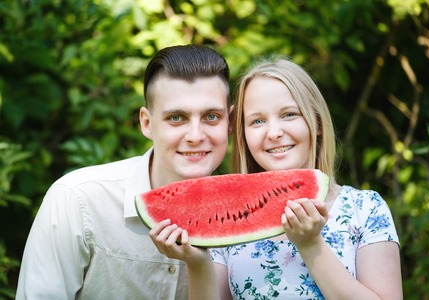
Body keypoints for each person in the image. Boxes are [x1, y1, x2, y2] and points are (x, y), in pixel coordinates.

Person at [149, 57, 403, 299]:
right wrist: (197, 262)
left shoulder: (366, 209)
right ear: (243, 134)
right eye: (257, 121)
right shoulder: (225, 219)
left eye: (289, 115)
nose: (274, 132)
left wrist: (311, 245)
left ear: (316, 121)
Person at [16, 44, 233, 299]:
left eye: (211, 117)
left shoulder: (244, 221)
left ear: (229, 122)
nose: (195, 136)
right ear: (147, 124)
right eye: (176, 118)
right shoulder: (76, 200)